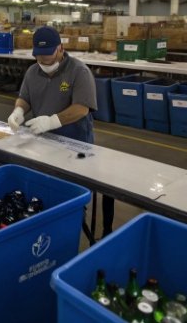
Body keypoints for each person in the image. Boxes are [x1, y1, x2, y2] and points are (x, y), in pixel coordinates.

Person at [7, 25, 114, 237]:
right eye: (39, 57)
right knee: (45, 190)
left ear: (61, 49)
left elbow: (82, 108)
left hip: (74, 146)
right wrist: (19, 110)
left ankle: (70, 227)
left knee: (69, 195)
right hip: (43, 144)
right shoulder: (32, 71)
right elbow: (26, 97)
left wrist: (52, 121)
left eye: (48, 56)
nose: (44, 62)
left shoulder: (79, 72)